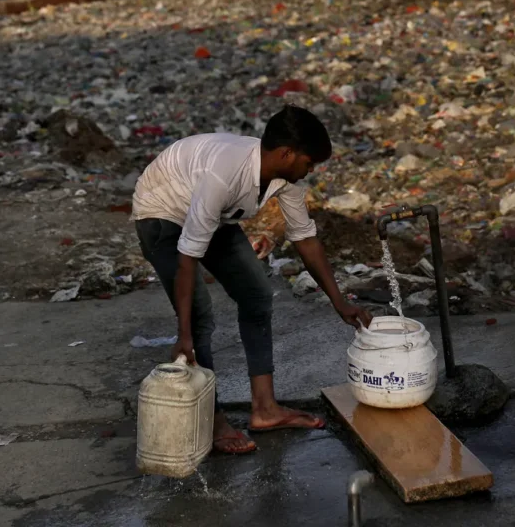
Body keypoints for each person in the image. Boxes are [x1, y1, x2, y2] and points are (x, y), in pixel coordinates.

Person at [131, 105, 371, 455]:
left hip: (211, 215)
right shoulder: (225, 174)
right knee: (199, 318)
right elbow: (187, 258)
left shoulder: (286, 178)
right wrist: (183, 335)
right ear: (287, 153)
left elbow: (304, 238)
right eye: (309, 162)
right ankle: (212, 424)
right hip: (162, 212)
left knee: (258, 295)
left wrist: (340, 302)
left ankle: (265, 409)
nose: (311, 170)